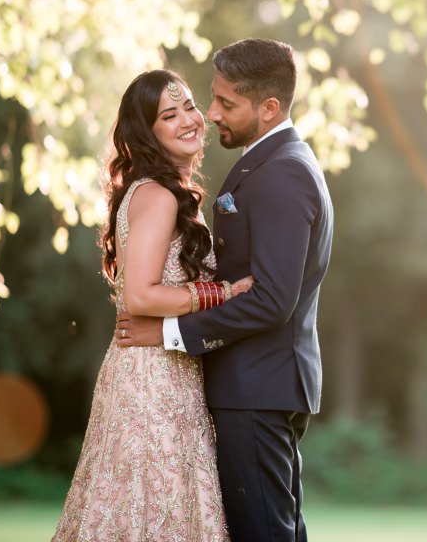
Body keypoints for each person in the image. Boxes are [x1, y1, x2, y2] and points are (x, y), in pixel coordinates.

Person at [116, 38, 334, 542]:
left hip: (257, 383)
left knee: (263, 532)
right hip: (258, 382)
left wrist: (169, 332)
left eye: (225, 103)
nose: (211, 114)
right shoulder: (274, 162)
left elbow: (272, 299)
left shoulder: (282, 172)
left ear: (269, 108)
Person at [52, 69, 252, 542]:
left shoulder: (166, 194)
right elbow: (138, 295)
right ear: (148, 131)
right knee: (144, 511)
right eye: (169, 113)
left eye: (188, 106)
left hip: (171, 369)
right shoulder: (158, 196)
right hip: (150, 381)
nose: (188, 119)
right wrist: (222, 293)